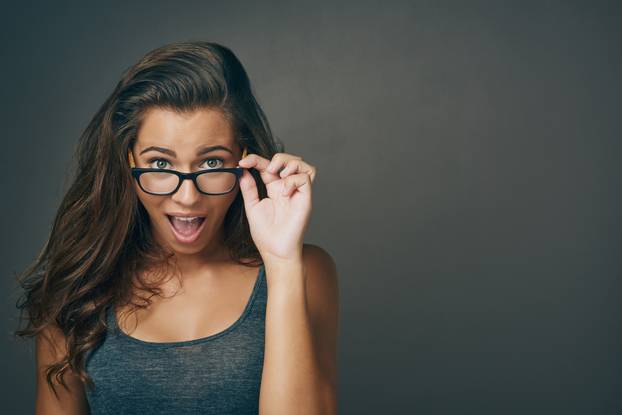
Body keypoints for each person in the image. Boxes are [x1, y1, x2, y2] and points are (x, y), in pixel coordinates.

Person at [14, 40, 339, 414]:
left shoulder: (305, 271)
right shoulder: (74, 291)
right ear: (128, 161)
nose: (186, 197)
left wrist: (281, 263)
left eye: (212, 164)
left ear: (244, 159)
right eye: (160, 164)